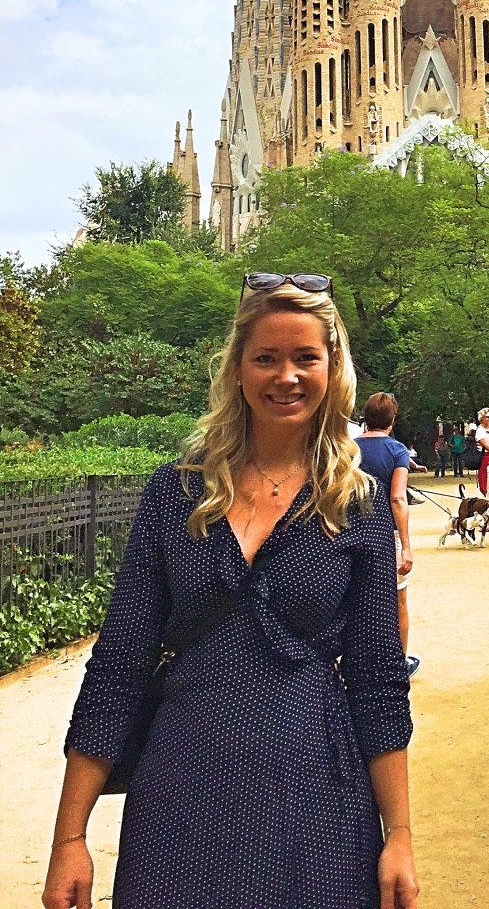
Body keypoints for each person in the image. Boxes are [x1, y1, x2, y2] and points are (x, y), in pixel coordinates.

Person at [44, 273, 417, 909]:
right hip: (180, 795)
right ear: (237, 370)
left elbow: (378, 678)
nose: (287, 376)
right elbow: (118, 666)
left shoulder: (354, 505)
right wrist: (69, 837)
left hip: (316, 796)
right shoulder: (175, 493)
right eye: (266, 358)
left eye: (306, 357)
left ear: (333, 368)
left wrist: (400, 835)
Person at [352, 392, 420, 679]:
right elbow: (398, 499)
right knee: (398, 599)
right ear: (392, 420)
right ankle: (398, 663)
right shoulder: (397, 450)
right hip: (384, 533)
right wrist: (405, 545)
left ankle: (354, 662)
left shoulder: (348, 449)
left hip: (351, 530)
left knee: (354, 598)